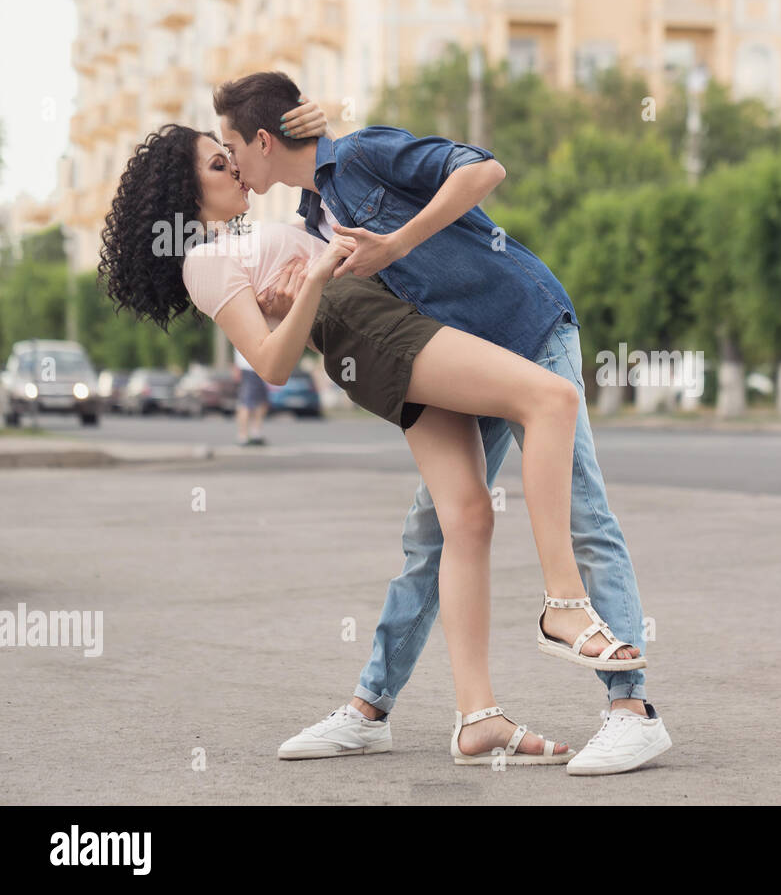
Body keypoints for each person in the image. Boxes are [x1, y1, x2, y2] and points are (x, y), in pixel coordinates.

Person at [98, 121, 646, 766]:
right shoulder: (204, 260)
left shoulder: (245, 236)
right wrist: (311, 282)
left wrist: (312, 140)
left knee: (465, 517)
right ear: (182, 193)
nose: (237, 171)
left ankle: (479, 718)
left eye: (232, 157)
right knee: (551, 399)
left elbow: (323, 194)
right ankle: (564, 604)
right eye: (220, 167)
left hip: (383, 325)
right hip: (373, 330)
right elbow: (271, 364)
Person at [232, 71, 671, 774]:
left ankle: (632, 711)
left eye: (232, 146)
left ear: (262, 138)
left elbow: (484, 169)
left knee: (585, 512)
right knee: (437, 529)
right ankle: (370, 711)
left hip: (527, 327)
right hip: (470, 364)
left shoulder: (362, 153)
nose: (233, 168)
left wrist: (394, 242)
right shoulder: (313, 216)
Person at [232, 346, 268, 445]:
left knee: (261, 402)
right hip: (249, 367)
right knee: (246, 403)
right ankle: (242, 435)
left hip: (258, 367)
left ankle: (256, 433)